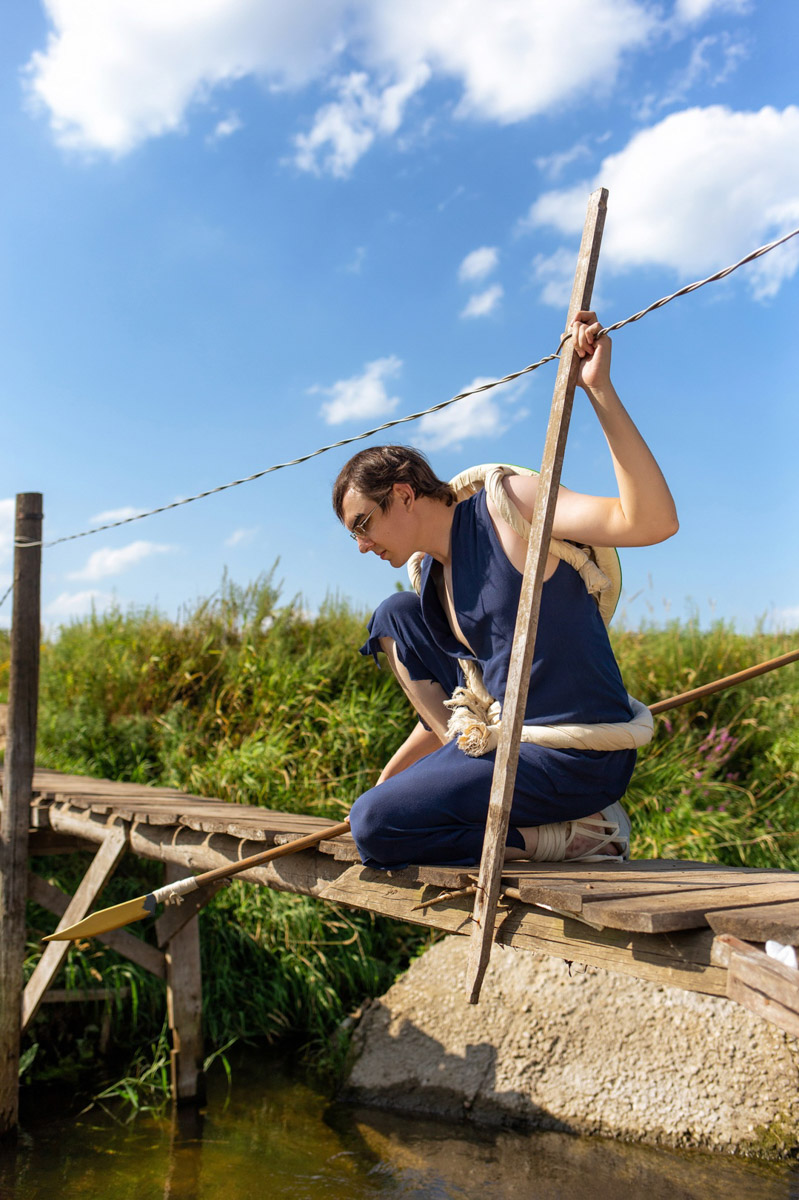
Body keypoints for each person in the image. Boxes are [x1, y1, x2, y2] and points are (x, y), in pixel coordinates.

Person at [332, 311, 678, 870]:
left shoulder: (507, 507)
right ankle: (454, 778)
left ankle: (583, 836)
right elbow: (469, 704)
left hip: (577, 755)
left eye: (362, 524)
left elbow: (652, 521)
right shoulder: (431, 580)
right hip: (507, 740)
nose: (361, 545)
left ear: (402, 494)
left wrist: (599, 392)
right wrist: (396, 777)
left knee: (376, 828)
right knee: (393, 616)